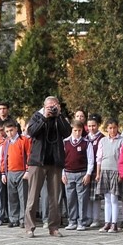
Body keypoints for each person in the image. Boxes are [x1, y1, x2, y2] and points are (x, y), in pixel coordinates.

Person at [24, 95, 71, 237]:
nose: (51, 109)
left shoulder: (61, 118)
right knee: (33, 196)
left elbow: (67, 132)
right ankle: (29, 227)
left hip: (55, 162)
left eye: (54, 106)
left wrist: (59, 115)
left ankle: (54, 227)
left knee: (55, 197)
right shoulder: (37, 116)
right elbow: (32, 132)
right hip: (38, 162)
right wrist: (45, 117)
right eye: (49, 106)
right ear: (44, 107)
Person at [62, 120, 93, 231]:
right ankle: (72, 221)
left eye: (79, 130)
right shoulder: (65, 142)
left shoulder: (86, 143)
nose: (77, 133)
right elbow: (62, 159)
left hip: (81, 173)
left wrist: (88, 174)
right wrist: (63, 173)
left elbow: (90, 160)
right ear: (71, 130)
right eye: (75, 130)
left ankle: (82, 221)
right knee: (70, 198)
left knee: (82, 199)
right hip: (69, 173)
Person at [94, 119, 123, 233]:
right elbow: (99, 158)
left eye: (114, 128)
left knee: (114, 198)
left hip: (115, 171)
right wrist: (98, 173)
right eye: (110, 128)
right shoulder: (103, 140)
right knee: (106, 199)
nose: (112, 130)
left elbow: (122, 158)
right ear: (107, 128)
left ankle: (114, 223)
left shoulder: (122, 141)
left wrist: (121, 173)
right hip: (104, 171)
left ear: (117, 128)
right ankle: (107, 222)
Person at [3, 121, 29, 229]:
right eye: (7, 131)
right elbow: (4, 158)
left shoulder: (24, 140)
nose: (10, 133)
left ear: (16, 129)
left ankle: (23, 219)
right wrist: (3, 172)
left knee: (23, 197)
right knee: (12, 197)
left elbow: (29, 155)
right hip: (10, 172)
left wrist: (27, 170)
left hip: (21, 171)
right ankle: (13, 218)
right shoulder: (6, 142)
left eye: (11, 130)